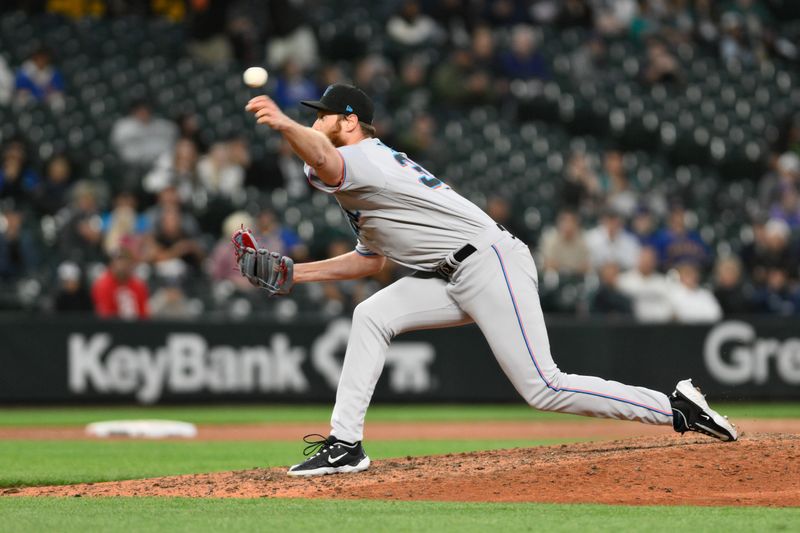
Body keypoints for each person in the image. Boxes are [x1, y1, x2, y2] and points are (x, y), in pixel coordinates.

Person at [241, 84, 738, 477]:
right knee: (372, 313)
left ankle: (675, 408)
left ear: (349, 121)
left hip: (489, 263)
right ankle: (345, 445)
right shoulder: (364, 182)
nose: (312, 121)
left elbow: (324, 159)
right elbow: (369, 263)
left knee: (543, 386)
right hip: (453, 273)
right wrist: (293, 272)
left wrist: (283, 122)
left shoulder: (364, 158)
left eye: (320, 115)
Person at [91, 248, 149, 320]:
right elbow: (105, 314)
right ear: (112, 264)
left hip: (138, 327)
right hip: (113, 327)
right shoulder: (102, 284)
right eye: (119, 262)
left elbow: (144, 313)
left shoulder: (139, 285)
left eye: (126, 262)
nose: (122, 266)